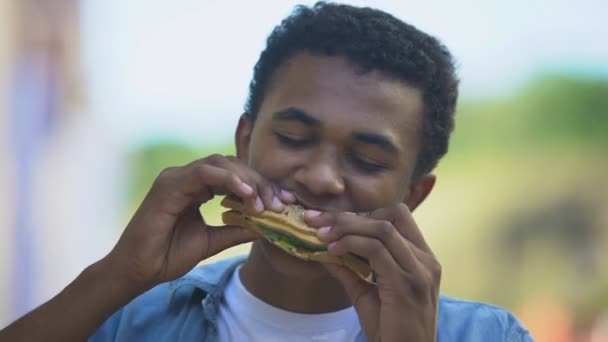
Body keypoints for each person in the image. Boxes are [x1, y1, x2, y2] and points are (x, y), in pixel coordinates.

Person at [0, 2, 533, 341]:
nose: (321, 178)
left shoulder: (488, 335)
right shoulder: (127, 319)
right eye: (293, 138)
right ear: (244, 142)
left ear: (414, 194)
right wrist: (118, 275)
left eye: (367, 160)